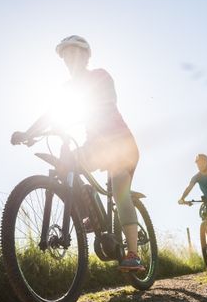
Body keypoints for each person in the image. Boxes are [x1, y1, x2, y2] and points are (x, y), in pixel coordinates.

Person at [10, 35, 145, 272]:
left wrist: (80, 114)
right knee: (66, 164)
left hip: (119, 144)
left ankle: (133, 253)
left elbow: (105, 101)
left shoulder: (100, 75)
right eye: (64, 56)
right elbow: (51, 114)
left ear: (86, 55)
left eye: (73, 53)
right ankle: (90, 209)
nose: (68, 59)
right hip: (95, 147)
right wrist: (29, 133)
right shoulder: (66, 88)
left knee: (120, 189)